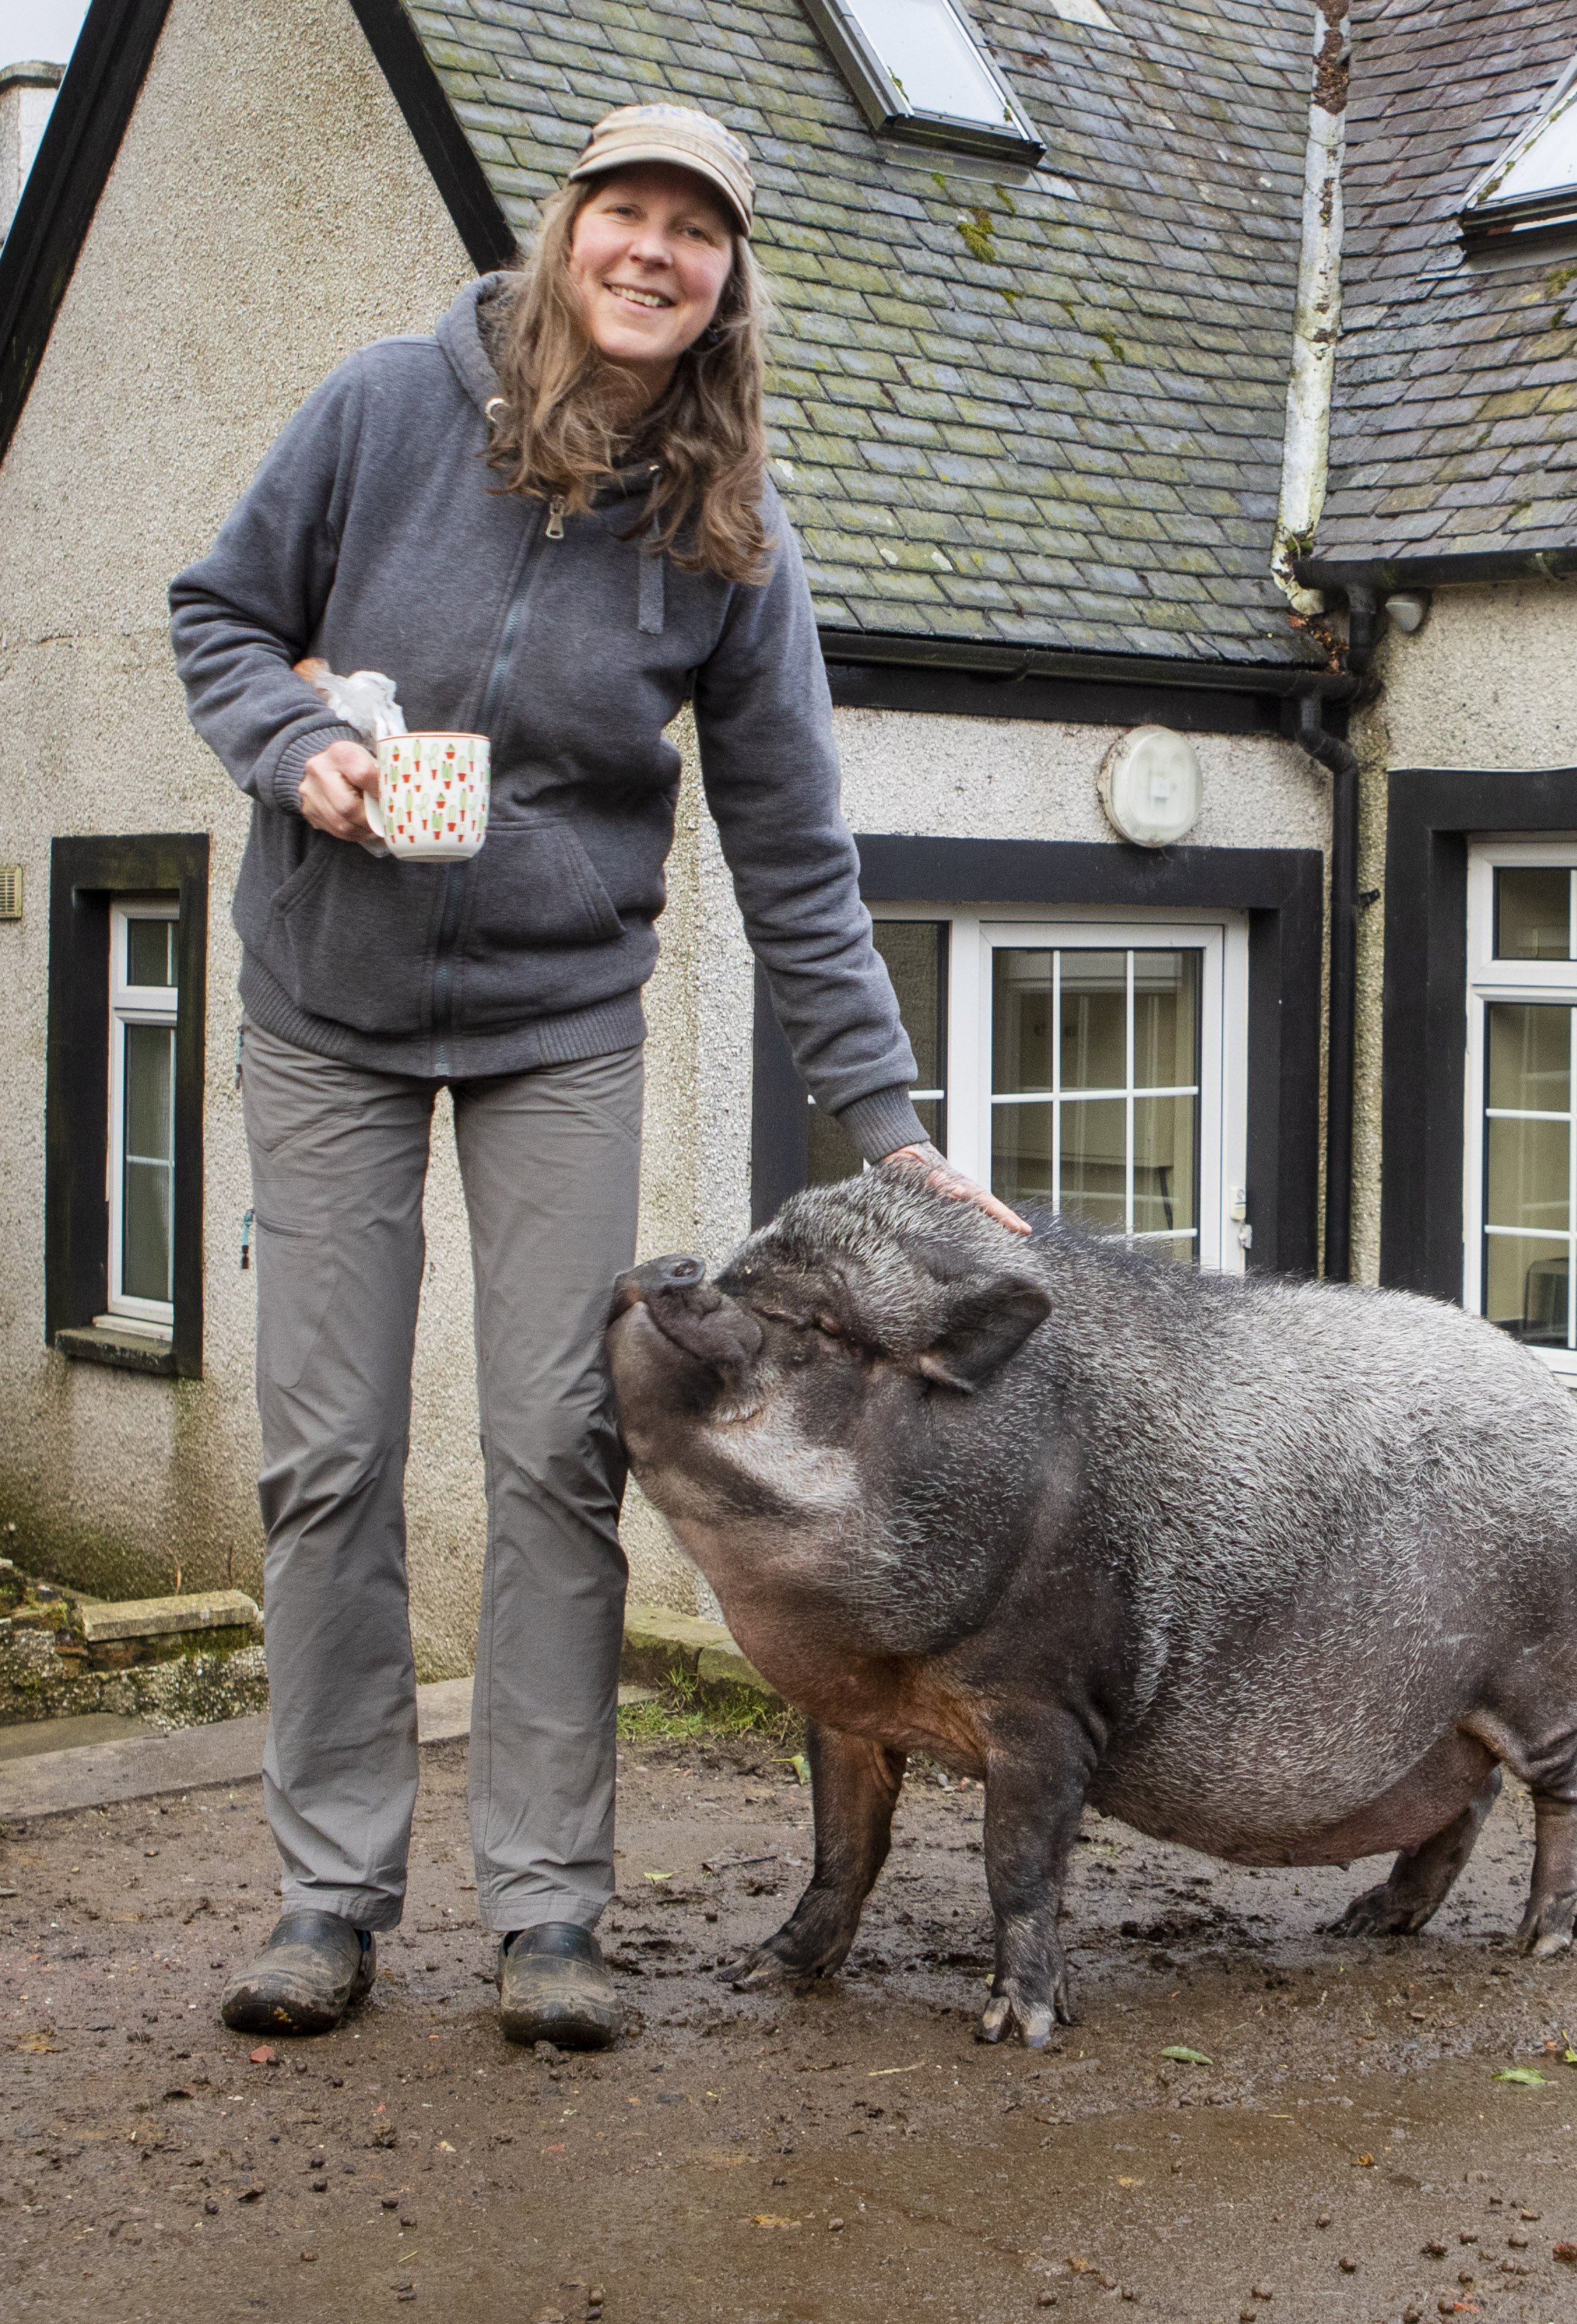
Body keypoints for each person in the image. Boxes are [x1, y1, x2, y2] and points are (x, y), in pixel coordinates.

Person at [168, 101, 1020, 2051]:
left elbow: (796, 851)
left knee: (562, 1455)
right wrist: (282, 750)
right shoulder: (387, 411)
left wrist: (891, 1129)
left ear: (729, 283)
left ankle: (549, 1915)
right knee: (329, 1459)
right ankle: (328, 1898)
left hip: (560, 1018)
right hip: (325, 1005)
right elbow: (217, 616)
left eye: (695, 234)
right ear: (567, 236)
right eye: (626, 215)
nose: (655, 253)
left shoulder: (731, 534)